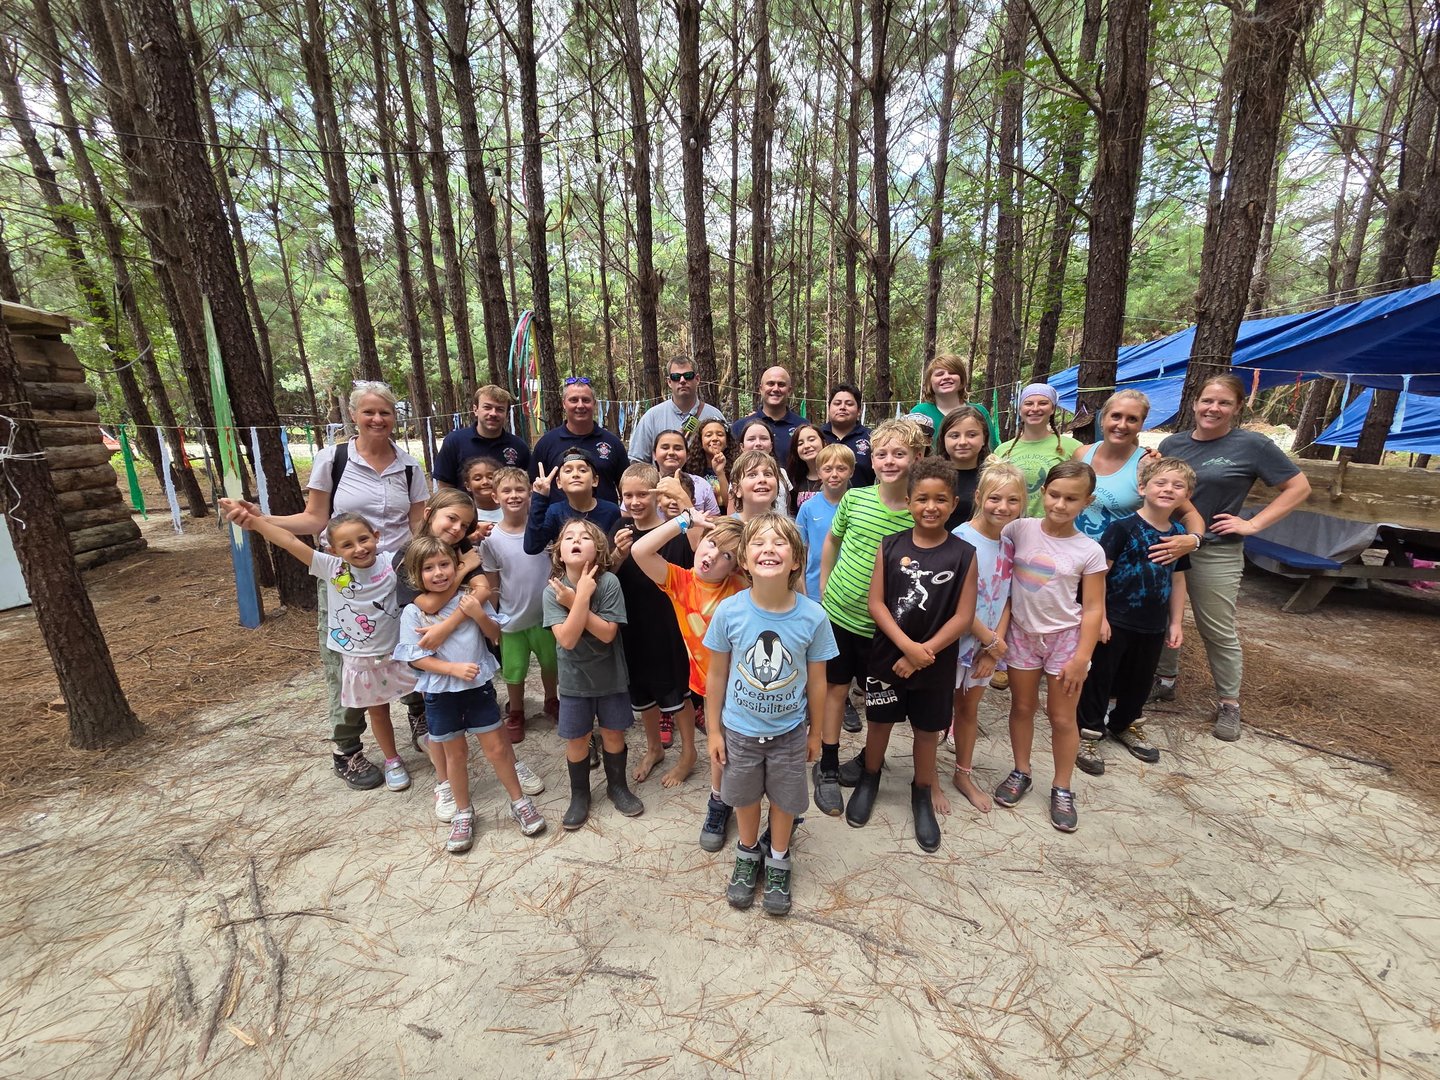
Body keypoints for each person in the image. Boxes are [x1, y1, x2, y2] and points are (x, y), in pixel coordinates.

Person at [221, 382, 428, 791]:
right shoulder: (332, 459)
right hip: (344, 576)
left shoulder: (409, 467)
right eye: (369, 412)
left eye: (385, 412)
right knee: (349, 660)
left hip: (396, 573)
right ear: (353, 415)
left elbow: (417, 528)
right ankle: (346, 747)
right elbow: (314, 520)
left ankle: (418, 712)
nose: (377, 419)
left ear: (395, 416)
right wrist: (261, 520)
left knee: (408, 646)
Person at [1152, 373, 1311, 741]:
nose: (1214, 408)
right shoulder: (1173, 442)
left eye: (1224, 403)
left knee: (1217, 628)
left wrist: (1253, 524)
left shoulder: (1252, 445)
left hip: (1215, 549)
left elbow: (1298, 487)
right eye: (1208, 400)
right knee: (1161, 616)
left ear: (1237, 408)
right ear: (1194, 403)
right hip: (1170, 544)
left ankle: (1229, 703)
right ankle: (1164, 680)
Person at [224, 504, 417, 791]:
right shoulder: (331, 568)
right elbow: (289, 541)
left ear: (376, 536)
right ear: (334, 550)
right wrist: (256, 523)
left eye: (364, 539)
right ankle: (392, 760)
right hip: (363, 658)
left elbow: (428, 548)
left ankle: (432, 737)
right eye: (347, 544)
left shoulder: (392, 562)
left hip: (398, 651)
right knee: (378, 711)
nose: (359, 548)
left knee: (422, 692)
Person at [704, 514, 838, 916]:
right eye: (759, 543)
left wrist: (816, 734)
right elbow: (717, 675)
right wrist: (713, 731)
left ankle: (778, 859)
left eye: (779, 543)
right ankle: (747, 854)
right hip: (739, 731)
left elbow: (818, 683)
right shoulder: (729, 612)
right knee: (743, 797)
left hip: (789, 732)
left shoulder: (813, 616)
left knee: (784, 800)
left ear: (796, 559)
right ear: (743, 558)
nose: (769, 549)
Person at [847, 459, 977, 852]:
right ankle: (870, 777)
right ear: (908, 501)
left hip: (936, 664)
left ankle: (922, 792)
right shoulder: (891, 545)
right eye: (922, 498)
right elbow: (876, 604)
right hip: (888, 655)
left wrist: (926, 652)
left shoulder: (964, 554)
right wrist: (906, 648)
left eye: (940, 499)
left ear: (954, 503)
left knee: (927, 730)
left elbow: (964, 616)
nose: (931, 506)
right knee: (880, 721)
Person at [388, 487, 544, 799]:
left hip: (469, 647)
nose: (457, 529)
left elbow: (483, 590)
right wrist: (461, 570)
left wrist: (447, 626)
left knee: (487, 713)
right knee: (444, 728)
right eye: (452, 519)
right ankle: (445, 783)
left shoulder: (465, 548)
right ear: (430, 513)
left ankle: (511, 764)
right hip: (435, 656)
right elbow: (428, 605)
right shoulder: (407, 557)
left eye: (465, 524)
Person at [393, 536, 547, 852]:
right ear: (415, 575)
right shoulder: (413, 612)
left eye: (444, 564)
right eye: (429, 568)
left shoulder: (468, 599)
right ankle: (464, 812)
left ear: (456, 566)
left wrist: (478, 614)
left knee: (498, 750)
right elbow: (414, 656)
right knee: (455, 756)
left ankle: (519, 801)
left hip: (478, 690)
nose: (438, 573)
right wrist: (452, 670)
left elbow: (494, 637)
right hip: (440, 695)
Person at [815, 417, 928, 815]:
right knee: (835, 689)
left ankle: (869, 761)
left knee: (881, 698)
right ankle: (827, 764)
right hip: (839, 614)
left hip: (885, 627)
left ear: (917, 457)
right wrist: (826, 583)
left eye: (900, 453)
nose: (890, 461)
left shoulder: (918, 513)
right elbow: (833, 540)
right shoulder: (855, 498)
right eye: (882, 454)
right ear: (872, 459)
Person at [994, 461, 1107, 833]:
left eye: (1071, 498)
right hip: (1022, 635)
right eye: (1054, 495)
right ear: (1042, 493)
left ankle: (1062, 786)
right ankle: (1021, 771)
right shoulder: (1018, 529)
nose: (1060, 504)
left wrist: (1082, 658)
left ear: (1087, 502)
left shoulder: (1088, 549)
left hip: (1065, 640)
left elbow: (1092, 607)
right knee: (1022, 706)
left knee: (1061, 717)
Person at [632, 506, 749, 839]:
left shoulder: (741, 587)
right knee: (718, 747)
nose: (712, 555)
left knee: (744, 749)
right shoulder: (680, 581)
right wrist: (684, 521)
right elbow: (641, 550)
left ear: (736, 565)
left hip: (744, 687)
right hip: (709, 688)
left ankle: (746, 802)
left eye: (726, 554)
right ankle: (718, 801)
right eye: (710, 543)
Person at [1076, 457, 1194, 776]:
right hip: (1115, 619)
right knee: (1101, 676)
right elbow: (1099, 573)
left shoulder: (1180, 535)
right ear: (1142, 487)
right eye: (1160, 482)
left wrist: (1174, 621)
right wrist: (1098, 617)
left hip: (1153, 624)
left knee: (1140, 679)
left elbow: (1179, 579)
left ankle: (1125, 722)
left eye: (1177, 485)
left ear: (1186, 496)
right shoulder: (1123, 527)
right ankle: (1088, 733)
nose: (1168, 489)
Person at [544, 519, 644, 829]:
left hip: (611, 679)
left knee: (614, 734)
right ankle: (580, 795)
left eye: (585, 537)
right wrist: (578, 597)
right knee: (578, 740)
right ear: (559, 552)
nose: (576, 540)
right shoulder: (553, 591)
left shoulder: (609, 584)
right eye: (569, 537)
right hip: (574, 682)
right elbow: (568, 639)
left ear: (598, 550)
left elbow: (607, 634)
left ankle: (618, 787)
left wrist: (577, 600)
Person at [608, 463, 696, 782]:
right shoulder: (620, 528)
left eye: (642, 494)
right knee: (643, 693)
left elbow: (691, 577)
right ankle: (654, 747)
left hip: (668, 627)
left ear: (657, 495)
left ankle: (688, 753)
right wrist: (616, 555)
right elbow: (607, 577)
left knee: (677, 693)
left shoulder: (674, 532)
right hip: (633, 626)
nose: (634, 502)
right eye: (627, 495)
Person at [950, 462, 1025, 813]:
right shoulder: (960, 541)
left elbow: (1007, 597)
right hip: (955, 643)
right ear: (978, 497)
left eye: (1013, 500)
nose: (1003, 507)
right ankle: (926, 780)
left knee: (968, 710)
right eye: (994, 498)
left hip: (985, 646)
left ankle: (962, 773)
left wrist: (993, 649)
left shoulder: (1010, 544)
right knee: (937, 712)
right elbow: (957, 605)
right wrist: (991, 642)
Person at [481, 466, 560, 743]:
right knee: (514, 670)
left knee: (551, 662)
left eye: (519, 489)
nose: (514, 495)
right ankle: (516, 711)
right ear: (495, 496)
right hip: (511, 618)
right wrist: (492, 619)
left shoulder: (545, 530)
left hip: (546, 616)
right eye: (506, 490)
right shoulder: (490, 538)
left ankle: (552, 700)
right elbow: (492, 582)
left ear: (530, 493)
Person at [531, 378, 629, 505]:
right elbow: (533, 489)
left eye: (586, 400)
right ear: (564, 404)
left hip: (605, 522)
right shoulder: (547, 443)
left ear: (594, 403)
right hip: (558, 522)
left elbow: (626, 487)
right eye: (573, 400)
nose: (580, 405)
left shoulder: (612, 443)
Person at [994, 383, 1081, 517]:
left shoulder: (1073, 448)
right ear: (1020, 409)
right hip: (1011, 526)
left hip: (1053, 527)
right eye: (1028, 403)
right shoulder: (1002, 450)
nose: (1035, 409)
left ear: (1052, 409)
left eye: (1043, 403)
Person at [523, 447, 623, 555]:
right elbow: (532, 547)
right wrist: (540, 497)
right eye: (568, 471)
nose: (575, 474)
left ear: (595, 480)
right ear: (559, 482)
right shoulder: (555, 512)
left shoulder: (612, 511)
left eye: (582, 470)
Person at [627, 355, 726, 462]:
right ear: (669, 382)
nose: (682, 380)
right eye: (676, 377)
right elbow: (637, 461)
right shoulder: (652, 417)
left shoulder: (714, 416)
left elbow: (729, 456)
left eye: (688, 375)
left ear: (697, 379)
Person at [433, 384, 530, 485]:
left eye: (500, 409)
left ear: (506, 414)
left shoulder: (519, 447)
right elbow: (445, 487)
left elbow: (526, 486)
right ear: (475, 410)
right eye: (487, 407)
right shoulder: (454, 442)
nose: (493, 413)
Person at [796, 443, 855, 602]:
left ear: (851, 471)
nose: (834, 474)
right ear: (819, 472)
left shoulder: (858, 505)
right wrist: (803, 590)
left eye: (841, 469)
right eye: (828, 469)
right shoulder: (808, 508)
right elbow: (799, 552)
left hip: (849, 591)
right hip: (814, 590)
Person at [731, 366, 805, 464]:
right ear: (761, 389)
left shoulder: (803, 427)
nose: (775, 389)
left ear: (789, 391)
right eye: (770, 384)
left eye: (781, 384)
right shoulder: (740, 427)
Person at [936, 406, 991, 531]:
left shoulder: (993, 477)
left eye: (971, 435)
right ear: (943, 439)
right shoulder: (931, 476)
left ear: (984, 438)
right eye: (954, 436)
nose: (962, 442)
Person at [909, 353, 971, 450]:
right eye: (939, 374)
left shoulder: (979, 412)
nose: (946, 377)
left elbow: (992, 454)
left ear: (962, 379)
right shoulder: (919, 413)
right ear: (930, 383)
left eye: (952, 373)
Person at [652, 428, 721, 516]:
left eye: (678, 448)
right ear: (654, 454)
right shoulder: (647, 483)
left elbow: (715, 519)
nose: (671, 452)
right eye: (665, 448)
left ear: (687, 455)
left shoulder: (701, 485)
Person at [820, 382, 873, 486]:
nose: (842, 407)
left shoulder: (872, 438)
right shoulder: (816, 437)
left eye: (849, 404)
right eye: (837, 403)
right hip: (821, 500)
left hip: (861, 501)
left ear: (859, 411)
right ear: (829, 408)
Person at [687, 418, 736, 509]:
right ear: (701, 442)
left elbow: (730, 506)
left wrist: (720, 473)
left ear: (727, 442)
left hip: (727, 520)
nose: (714, 439)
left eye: (720, 435)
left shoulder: (737, 468)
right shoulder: (689, 468)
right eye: (708, 435)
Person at [728, 449, 786, 522]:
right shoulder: (726, 530)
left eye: (768, 474)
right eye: (752, 475)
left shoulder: (784, 529)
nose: (762, 479)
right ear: (737, 489)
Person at [785, 422, 825, 514]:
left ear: (824, 442)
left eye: (811, 440)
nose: (806, 446)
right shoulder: (794, 479)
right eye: (800, 443)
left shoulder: (837, 476)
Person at [460, 456, 504, 537]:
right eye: (477, 479)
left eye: (491, 477)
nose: (485, 482)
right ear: (468, 486)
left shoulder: (510, 511)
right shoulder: (464, 514)